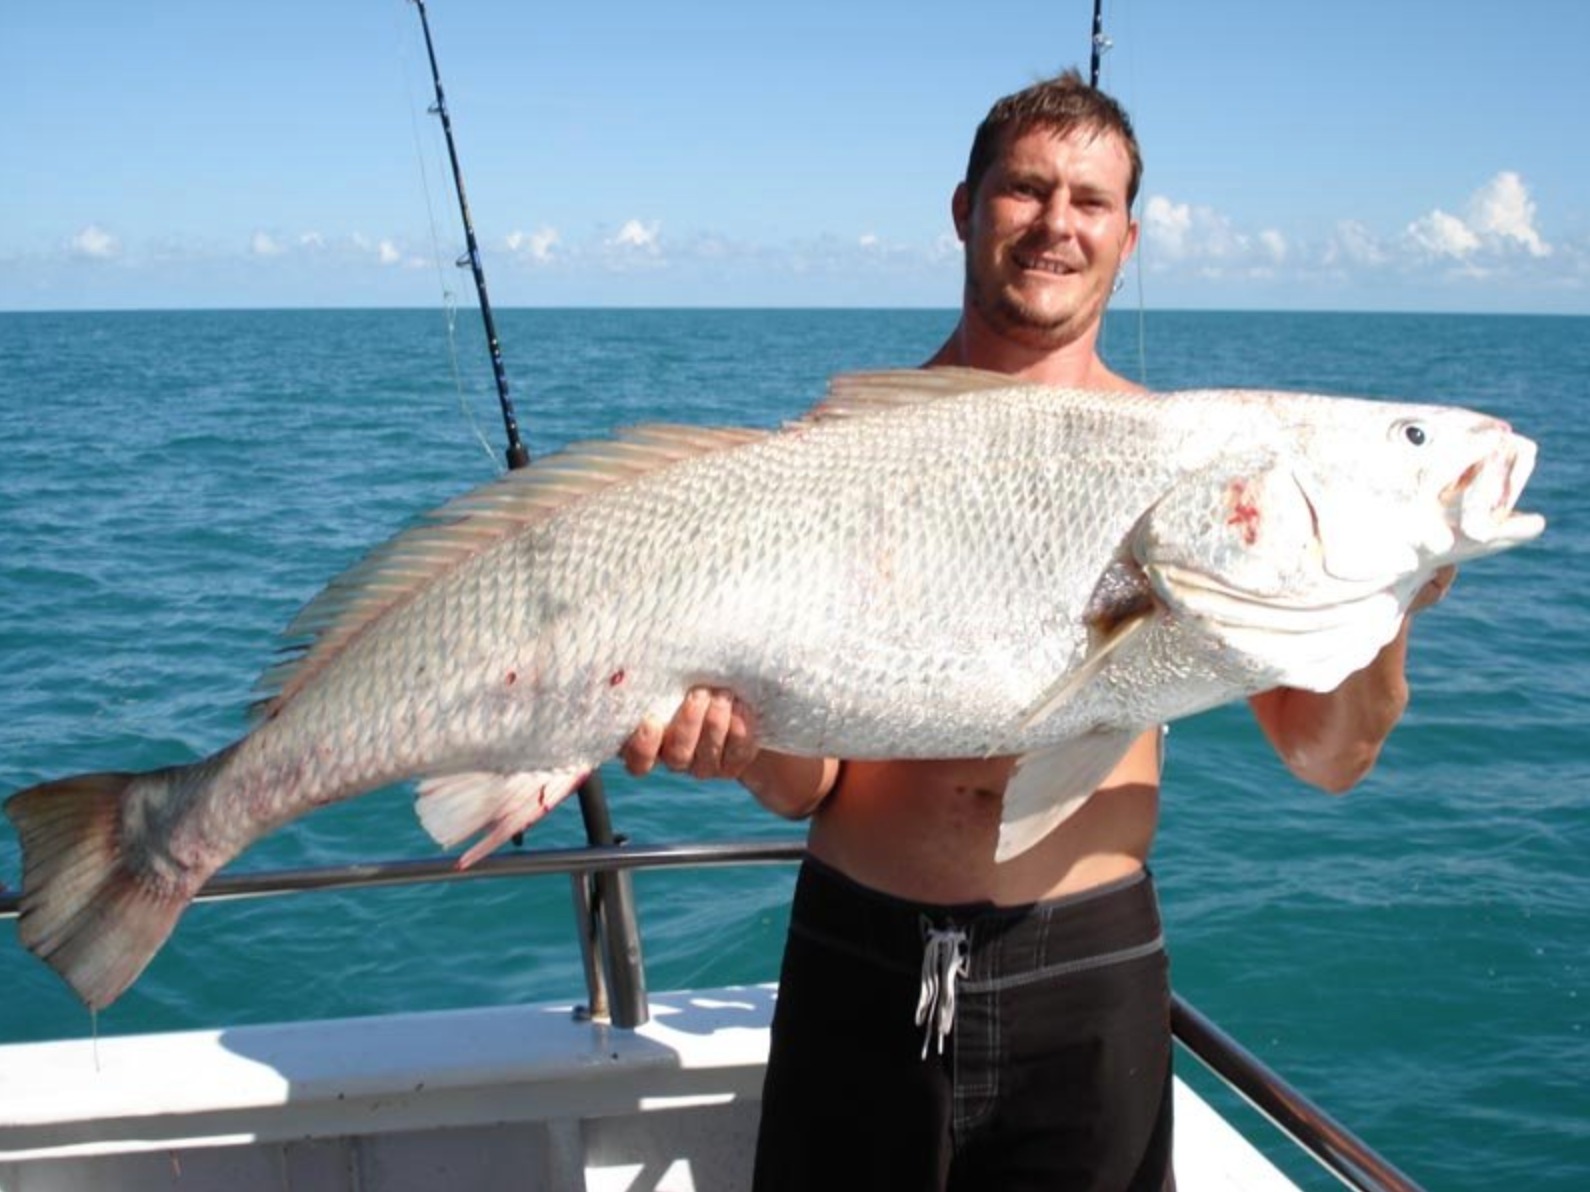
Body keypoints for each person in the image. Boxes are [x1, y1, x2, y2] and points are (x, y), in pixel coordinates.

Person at [623, 70, 1452, 1191]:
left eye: (1090, 199)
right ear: (966, 209)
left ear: (1129, 236)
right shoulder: (846, 446)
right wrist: (735, 740)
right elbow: (806, 783)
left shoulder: (1201, 469)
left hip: (1089, 977)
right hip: (857, 958)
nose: (1056, 222)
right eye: (1026, 188)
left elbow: (1326, 755)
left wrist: (1384, 602)